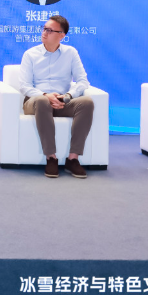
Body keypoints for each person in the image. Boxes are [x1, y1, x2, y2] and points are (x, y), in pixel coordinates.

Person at [17, 15, 95, 178]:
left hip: (62, 101)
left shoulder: (71, 53)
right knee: (42, 101)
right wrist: (46, 95)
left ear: (62, 35)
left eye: (50, 30)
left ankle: (73, 159)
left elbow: (83, 81)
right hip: (36, 101)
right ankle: (51, 157)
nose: (44, 33)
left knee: (87, 102)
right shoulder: (30, 54)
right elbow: (25, 86)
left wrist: (67, 96)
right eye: (44, 28)